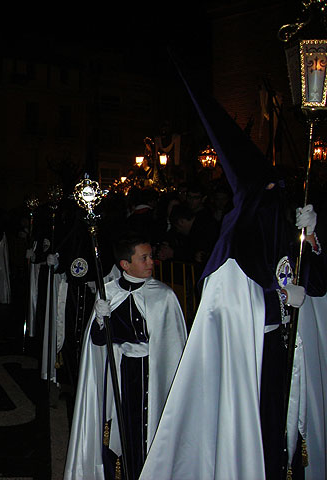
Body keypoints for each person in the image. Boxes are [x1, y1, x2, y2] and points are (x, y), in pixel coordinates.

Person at [139, 60, 327, 480]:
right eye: (270, 198)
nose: (277, 207)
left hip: (285, 361)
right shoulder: (230, 262)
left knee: (288, 433)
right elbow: (227, 325)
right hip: (253, 367)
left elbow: (315, 281)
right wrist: (279, 303)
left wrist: (311, 243)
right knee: (259, 436)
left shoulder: (284, 236)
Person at [64, 234, 187, 480]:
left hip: (150, 376)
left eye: (151, 256)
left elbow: (173, 348)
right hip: (119, 374)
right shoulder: (108, 292)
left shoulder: (163, 296)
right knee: (117, 431)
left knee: (146, 430)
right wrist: (100, 319)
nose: (151, 261)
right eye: (144, 258)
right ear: (125, 265)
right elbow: (98, 342)